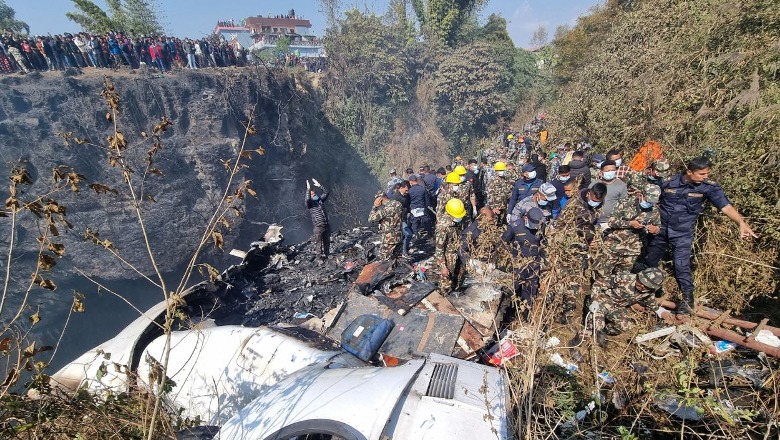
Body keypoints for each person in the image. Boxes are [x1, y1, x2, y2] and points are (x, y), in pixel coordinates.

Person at [639, 157, 756, 315]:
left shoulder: (708, 188)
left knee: (681, 266)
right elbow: (649, 197)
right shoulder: (668, 182)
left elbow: (725, 207)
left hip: (683, 233)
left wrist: (741, 223)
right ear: (689, 172)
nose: (705, 176)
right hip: (660, 230)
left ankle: (688, 300)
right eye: (701, 174)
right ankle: (651, 290)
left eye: (707, 173)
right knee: (650, 260)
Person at [592, 185, 661, 300]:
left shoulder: (653, 211)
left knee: (622, 277)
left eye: (652, 202)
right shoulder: (625, 203)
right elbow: (612, 221)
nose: (649, 203)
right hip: (613, 246)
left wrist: (655, 230)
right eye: (648, 200)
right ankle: (595, 298)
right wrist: (630, 224)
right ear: (641, 195)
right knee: (602, 274)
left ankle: (612, 300)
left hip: (632, 249)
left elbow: (658, 226)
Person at [591, 268, 666, 347]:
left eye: (646, 286)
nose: (641, 285)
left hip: (617, 307)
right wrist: (594, 301)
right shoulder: (625, 278)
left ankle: (603, 331)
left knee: (625, 325)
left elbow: (650, 301)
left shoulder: (649, 292)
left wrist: (659, 311)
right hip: (602, 300)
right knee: (597, 324)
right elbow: (598, 283)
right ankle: (593, 332)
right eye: (641, 281)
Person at [502, 207, 544, 307]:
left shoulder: (542, 227)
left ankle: (526, 316)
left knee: (530, 293)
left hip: (533, 265)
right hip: (517, 264)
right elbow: (503, 242)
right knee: (512, 290)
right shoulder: (515, 226)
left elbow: (544, 244)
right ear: (525, 217)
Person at [434, 199, 468, 294]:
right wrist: (443, 267)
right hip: (448, 257)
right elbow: (439, 250)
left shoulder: (454, 222)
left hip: (456, 254)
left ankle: (455, 292)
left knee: (457, 277)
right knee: (446, 283)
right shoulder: (443, 227)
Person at [368, 190, 404, 260]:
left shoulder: (385, 209)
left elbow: (371, 219)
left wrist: (374, 207)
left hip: (389, 239)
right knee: (397, 259)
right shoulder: (398, 204)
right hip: (399, 236)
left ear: (380, 198)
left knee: (384, 260)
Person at [590, 160, 628, 225]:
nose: (610, 172)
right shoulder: (593, 184)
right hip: (593, 221)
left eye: (612, 170)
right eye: (607, 171)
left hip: (610, 222)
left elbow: (624, 204)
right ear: (601, 172)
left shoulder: (622, 185)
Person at [305, 179, 330, 258]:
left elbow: (326, 192)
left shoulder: (320, 200)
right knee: (319, 244)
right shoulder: (311, 204)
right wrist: (308, 190)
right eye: (312, 194)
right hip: (318, 227)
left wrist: (319, 185)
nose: (314, 195)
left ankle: (327, 255)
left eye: (314, 193)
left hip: (326, 225)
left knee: (327, 241)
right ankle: (319, 258)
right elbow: (307, 200)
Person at [408, 175, 432, 242]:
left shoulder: (410, 191)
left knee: (414, 222)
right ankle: (429, 234)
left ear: (411, 182)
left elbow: (409, 200)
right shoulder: (422, 189)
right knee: (426, 221)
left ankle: (416, 235)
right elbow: (427, 200)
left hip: (413, 208)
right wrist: (428, 206)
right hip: (422, 207)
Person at [391, 181, 412, 258]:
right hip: (398, 220)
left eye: (408, 190)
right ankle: (403, 252)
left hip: (404, 218)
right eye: (406, 190)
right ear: (401, 188)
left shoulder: (406, 195)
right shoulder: (396, 197)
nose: (407, 191)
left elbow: (408, 204)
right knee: (408, 234)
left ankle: (403, 250)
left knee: (403, 236)